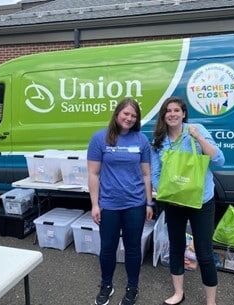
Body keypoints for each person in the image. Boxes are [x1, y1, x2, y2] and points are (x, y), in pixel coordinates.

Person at [151, 96, 225, 305]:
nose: (172, 114)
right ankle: (178, 293)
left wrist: (199, 138)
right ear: (163, 116)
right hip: (174, 203)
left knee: (204, 251)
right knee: (176, 246)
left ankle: (211, 301)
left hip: (201, 201)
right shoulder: (159, 140)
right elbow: (156, 175)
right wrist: (168, 193)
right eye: (168, 111)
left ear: (184, 114)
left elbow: (219, 159)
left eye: (176, 110)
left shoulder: (196, 130)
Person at [87, 98, 153, 305]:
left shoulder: (141, 140)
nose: (129, 118)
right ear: (117, 114)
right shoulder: (100, 138)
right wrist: (95, 204)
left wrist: (149, 203)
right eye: (126, 114)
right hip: (109, 204)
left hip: (135, 204)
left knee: (133, 247)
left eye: (133, 115)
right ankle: (106, 284)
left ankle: (132, 286)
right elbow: (93, 173)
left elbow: (146, 175)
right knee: (108, 247)